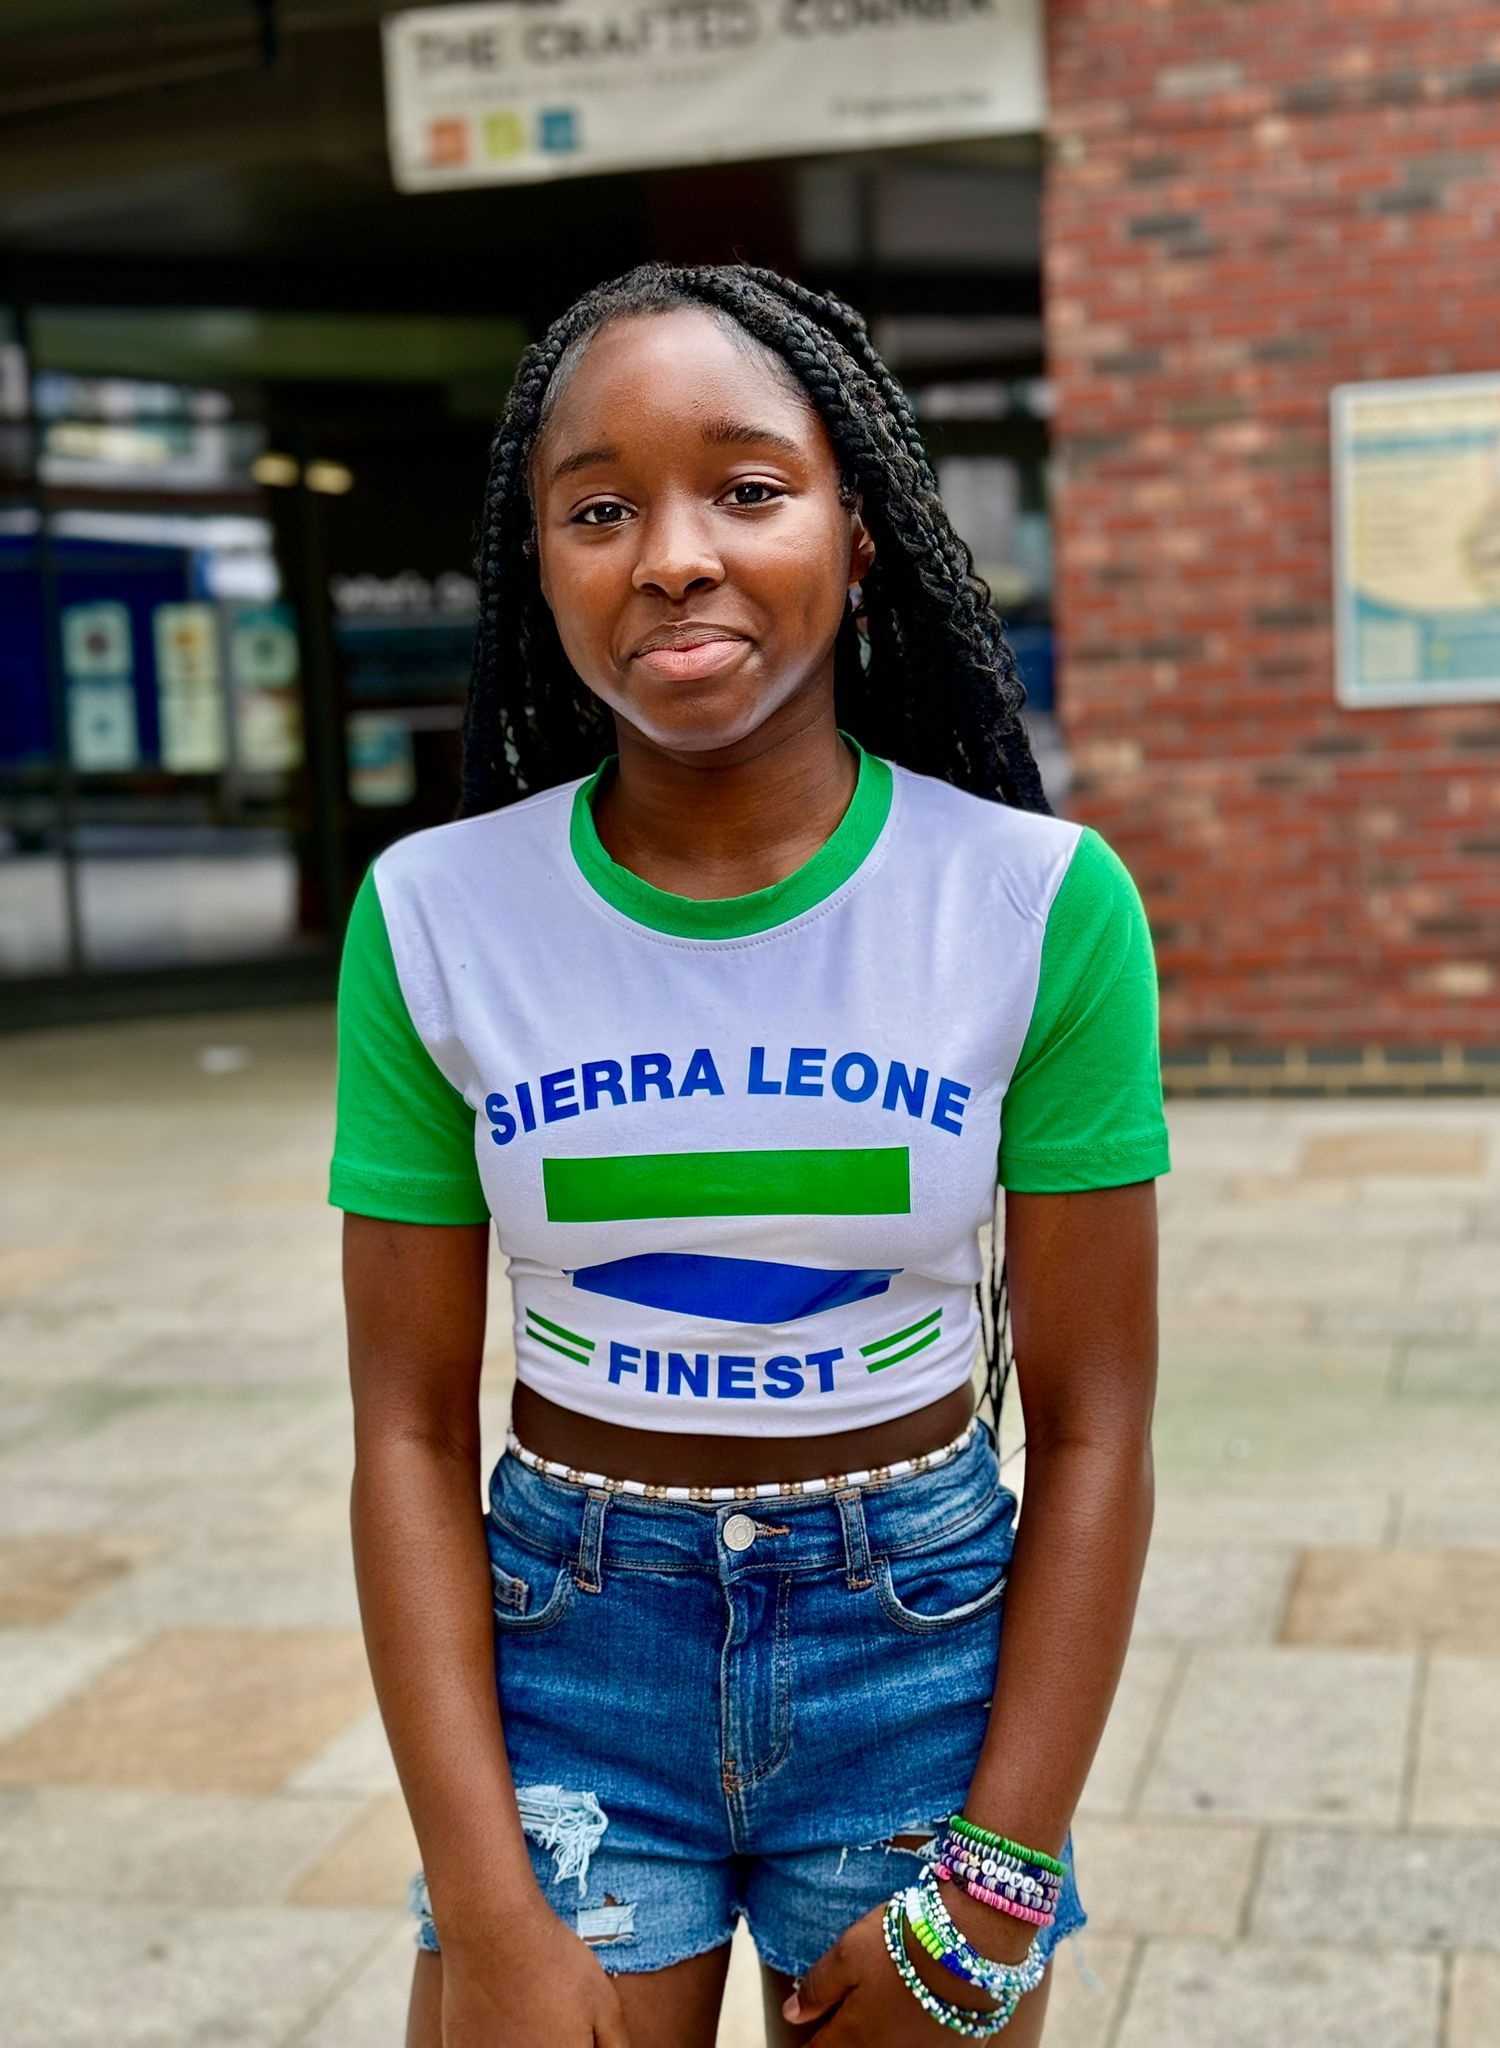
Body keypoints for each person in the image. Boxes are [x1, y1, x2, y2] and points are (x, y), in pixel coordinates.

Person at [329, 261, 1169, 2048]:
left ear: (859, 536)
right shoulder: (433, 918)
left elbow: (1099, 1425)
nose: (673, 554)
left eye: (750, 488)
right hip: (568, 1652)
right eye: (600, 508)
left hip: (917, 1654)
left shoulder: (1035, 906)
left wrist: (1002, 1861)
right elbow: (403, 1429)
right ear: (535, 562)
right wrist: (484, 1902)